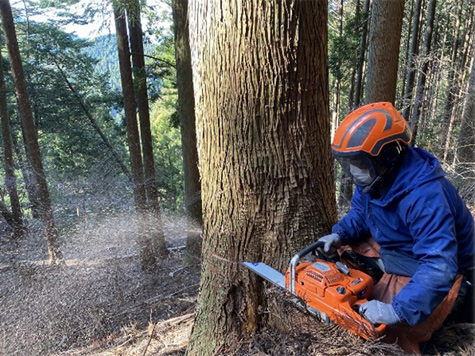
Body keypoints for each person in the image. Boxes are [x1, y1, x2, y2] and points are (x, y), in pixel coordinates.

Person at [318, 102, 474, 354]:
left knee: (387, 330)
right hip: (402, 245)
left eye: (359, 162)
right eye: (349, 163)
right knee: (343, 250)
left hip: (444, 266)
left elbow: (439, 265)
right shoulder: (376, 177)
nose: (354, 171)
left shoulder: (425, 197)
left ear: (387, 156)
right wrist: (340, 233)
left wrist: (396, 310)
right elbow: (362, 212)